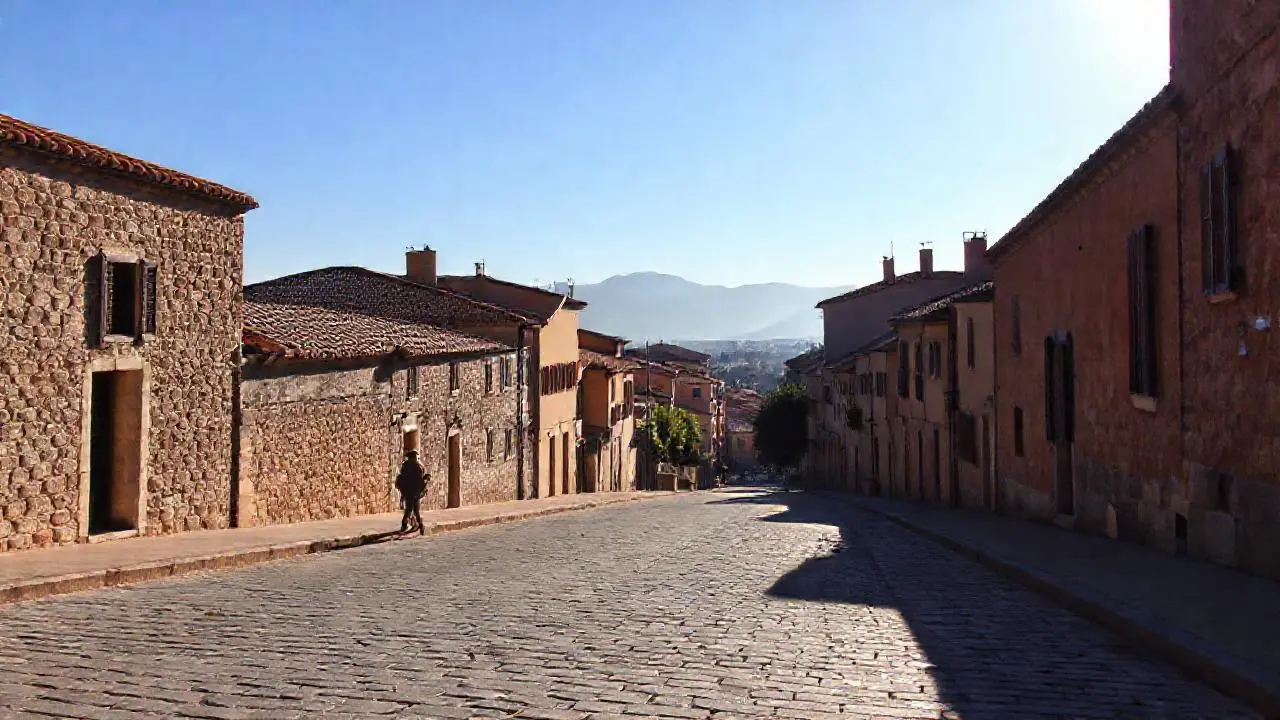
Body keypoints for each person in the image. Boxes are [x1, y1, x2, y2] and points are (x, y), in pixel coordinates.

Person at [396, 450, 427, 535]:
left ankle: (404, 525)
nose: (418, 459)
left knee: (408, 510)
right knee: (416, 510)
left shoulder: (404, 466)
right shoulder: (418, 467)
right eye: (417, 457)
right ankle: (421, 526)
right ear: (414, 457)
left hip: (407, 491)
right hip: (415, 492)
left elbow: (402, 478)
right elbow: (420, 480)